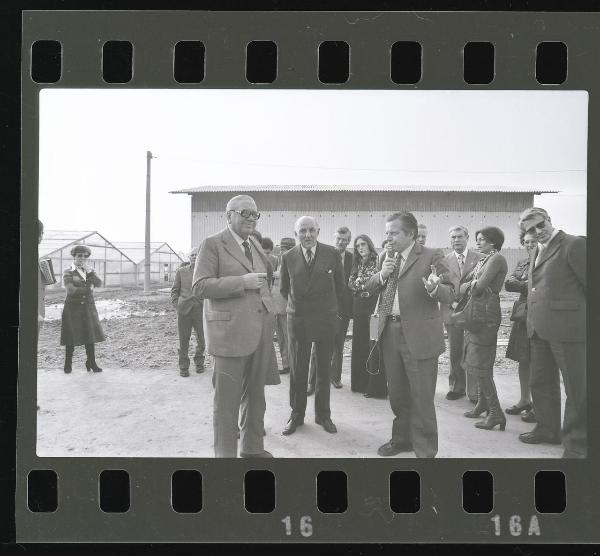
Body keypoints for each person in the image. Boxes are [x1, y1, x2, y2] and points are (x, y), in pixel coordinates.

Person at [365, 212, 454, 458]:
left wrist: (436, 288)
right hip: (390, 331)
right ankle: (402, 439)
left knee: (422, 395)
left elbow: (451, 292)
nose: (388, 238)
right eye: (387, 233)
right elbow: (370, 286)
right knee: (397, 393)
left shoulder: (432, 255)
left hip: (420, 335)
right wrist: (382, 273)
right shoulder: (385, 256)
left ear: (411, 234)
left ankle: (425, 449)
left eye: (393, 233)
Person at [193, 194, 275, 458]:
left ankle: (252, 449)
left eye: (255, 214)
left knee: (256, 397)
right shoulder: (213, 244)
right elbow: (200, 286)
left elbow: (267, 281)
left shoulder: (255, 244)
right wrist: (242, 282)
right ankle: (224, 460)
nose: (251, 218)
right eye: (245, 213)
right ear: (228, 215)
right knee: (226, 404)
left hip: (259, 332)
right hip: (229, 336)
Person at [517, 208, 586, 458]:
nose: (537, 231)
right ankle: (547, 429)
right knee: (541, 382)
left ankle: (577, 444)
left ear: (549, 220)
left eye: (540, 224)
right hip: (538, 328)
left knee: (576, 388)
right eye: (530, 229)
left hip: (568, 329)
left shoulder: (574, 244)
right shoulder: (536, 248)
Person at [280, 216, 345, 435]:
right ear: (295, 233)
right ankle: (296, 415)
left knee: (324, 371)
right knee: (298, 371)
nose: (307, 235)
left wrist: (332, 312)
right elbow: (284, 289)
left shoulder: (332, 254)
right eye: (302, 231)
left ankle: (323, 415)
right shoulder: (288, 257)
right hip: (298, 320)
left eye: (311, 230)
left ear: (318, 230)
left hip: (325, 320)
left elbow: (340, 286)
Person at [460, 227, 508, 431]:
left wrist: (471, 284)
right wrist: (472, 284)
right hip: (477, 311)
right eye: (477, 239)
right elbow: (466, 284)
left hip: (486, 313)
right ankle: (482, 403)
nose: (477, 243)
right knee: (473, 358)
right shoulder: (484, 260)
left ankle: (496, 413)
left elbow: (478, 287)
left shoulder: (496, 259)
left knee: (481, 363)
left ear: (493, 242)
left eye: (482, 240)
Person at [307, 226, 353, 391]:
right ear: (334, 239)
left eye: (345, 240)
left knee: (338, 345)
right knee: (317, 346)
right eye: (338, 239)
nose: (341, 242)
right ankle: (312, 382)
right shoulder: (321, 255)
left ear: (348, 242)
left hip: (342, 310)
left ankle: (335, 377)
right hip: (322, 309)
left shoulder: (352, 259)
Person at [440, 226, 483, 402]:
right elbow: (442, 285)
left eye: (459, 237)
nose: (456, 240)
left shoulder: (480, 258)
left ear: (467, 238)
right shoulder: (444, 260)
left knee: (473, 350)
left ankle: (474, 391)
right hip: (452, 311)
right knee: (455, 351)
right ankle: (457, 387)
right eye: (453, 238)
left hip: (473, 311)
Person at [504, 229, 538, 421]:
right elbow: (508, 284)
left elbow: (539, 287)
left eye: (532, 241)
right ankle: (525, 399)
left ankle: (538, 406)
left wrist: (522, 282)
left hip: (538, 315)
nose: (529, 245)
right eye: (526, 242)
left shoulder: (544, 262)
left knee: (539, 362)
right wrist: (525, 284)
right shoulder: (523, 262)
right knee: (522, 358)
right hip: (522, 316)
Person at [60, 245, 105, 373]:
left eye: (85, 256)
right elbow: (71, 290)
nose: (82, 258)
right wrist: (88, 289)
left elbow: (99, 283)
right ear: (74, 256)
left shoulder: (89, 270)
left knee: (90, 334)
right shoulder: (68, 271)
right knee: (71, 335)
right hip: (72, 308)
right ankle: (68, 363)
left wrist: (90, 272)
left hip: (88, 307)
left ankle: (91, 362)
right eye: (79, 255)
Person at [347, 234, 379, 394]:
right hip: (359, 305)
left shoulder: (378, 261)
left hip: (374, 306)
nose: (360, 248)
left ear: (370, 245)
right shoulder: (356, 263)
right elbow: (350, 283)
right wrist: (361, 285)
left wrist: (361, 284)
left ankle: (373, 385)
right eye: (358, 245)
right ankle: (359, 384)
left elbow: (376, 284)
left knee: (373, 342)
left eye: (363, 244)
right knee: (359, 342)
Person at [171, 247, 205, 377]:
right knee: (183, 340)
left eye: (197, 255)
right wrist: (177, 304)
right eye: (192, 255)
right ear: (189, 257)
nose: (195, 257)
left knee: (202, 340)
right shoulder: (181, 271)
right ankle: (184, 367)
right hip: (184, 310)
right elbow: (174, 290)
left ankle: (199, 362)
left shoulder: (205, 272)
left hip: (200, 310)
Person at [262, 236, 291, 375]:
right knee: (281, 338)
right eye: (282, 249)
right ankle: (286, 364)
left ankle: (292, 364)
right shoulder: (279, 261)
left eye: (285, 249)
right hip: (275, 305)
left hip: (286, 307)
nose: (282, 252)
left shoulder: (292, 262)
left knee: (288, 337)